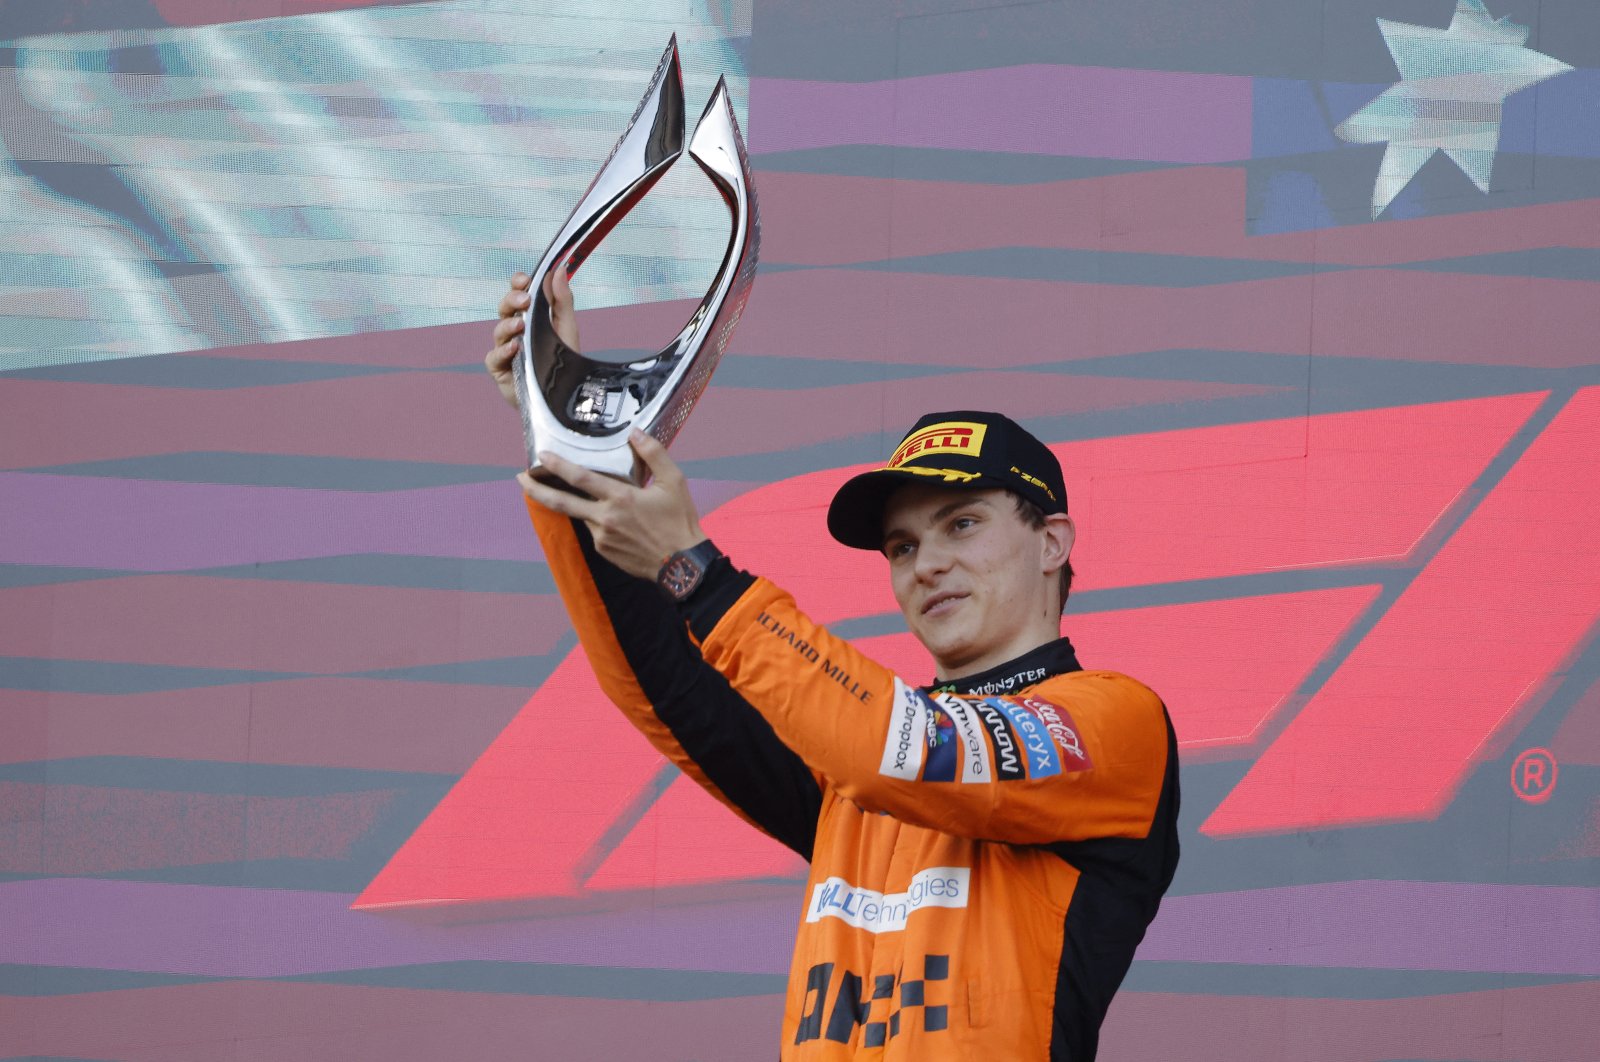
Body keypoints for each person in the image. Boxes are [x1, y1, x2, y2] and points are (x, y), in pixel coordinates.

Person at [485, 271, 1180, 1060]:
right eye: (904, 546)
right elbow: (669, 686)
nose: (929, 565)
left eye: (963, 524)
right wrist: (568, 441)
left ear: (1052, 543)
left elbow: (902, 754)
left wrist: (697, 573)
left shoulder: (1113, 723)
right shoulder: (850, 779)